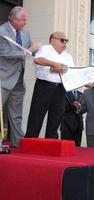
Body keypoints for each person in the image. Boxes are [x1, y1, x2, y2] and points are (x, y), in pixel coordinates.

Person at [0, 6, 41, 147]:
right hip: (3, 80)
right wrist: (28, 51)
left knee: (16, 114)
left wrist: (42, 53)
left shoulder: (25, 33)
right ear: (12, 19)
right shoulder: (1, 32)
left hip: (18, 79)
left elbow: (32, 50)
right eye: (22, 20)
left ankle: (18, 143)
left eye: (26, 20)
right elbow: (5, 54)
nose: (25, 22)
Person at [25, 31, 75, 139]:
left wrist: (61, 69)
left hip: (60, 89)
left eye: (66, 40)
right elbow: (37, 60)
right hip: (44, 86)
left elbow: (71, 71)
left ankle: (51, 141)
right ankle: (30, 140)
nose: (65, 42)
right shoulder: (45, 49)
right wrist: (53, 64)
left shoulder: (68, 56)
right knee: (36, 115)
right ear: (53, 40)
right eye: (62, 40)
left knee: (56, 116)